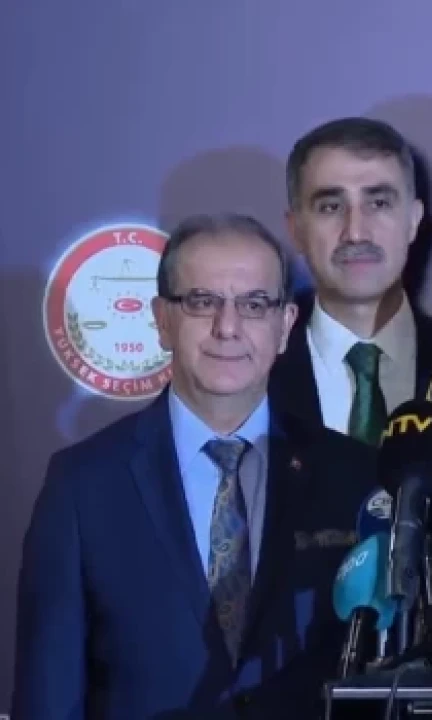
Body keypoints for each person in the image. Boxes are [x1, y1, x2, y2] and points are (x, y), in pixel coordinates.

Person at [14, 214, 376, 719]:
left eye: (254, 304)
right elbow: (48, 698)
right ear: (162, 319)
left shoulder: (353, 477)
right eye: (203, 302)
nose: (227, 328)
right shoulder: (82, 485)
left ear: (285, 326)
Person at [271, 117, 432, 447]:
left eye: (378, 203)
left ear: (413, 220)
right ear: (296, 229)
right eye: (331, 207)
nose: (356, 233)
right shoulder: (255, 371)